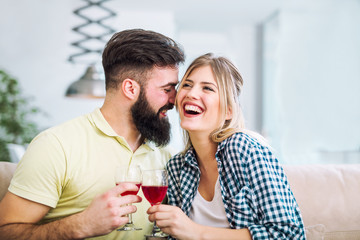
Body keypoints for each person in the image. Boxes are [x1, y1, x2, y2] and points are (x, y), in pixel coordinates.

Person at [0, 29, 185, 240]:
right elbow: (5, 231)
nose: (176, 99)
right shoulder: (55, 146)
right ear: (130, 89)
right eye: (167, 89)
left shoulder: (166, 155)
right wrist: (80, 225)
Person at [147, 53, 306, 239]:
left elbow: (288, 234)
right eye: (187, 85)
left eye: (207, 88)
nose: (191, 93)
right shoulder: (177, 167)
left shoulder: (244, 149)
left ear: (229, 111)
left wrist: (196, 232)